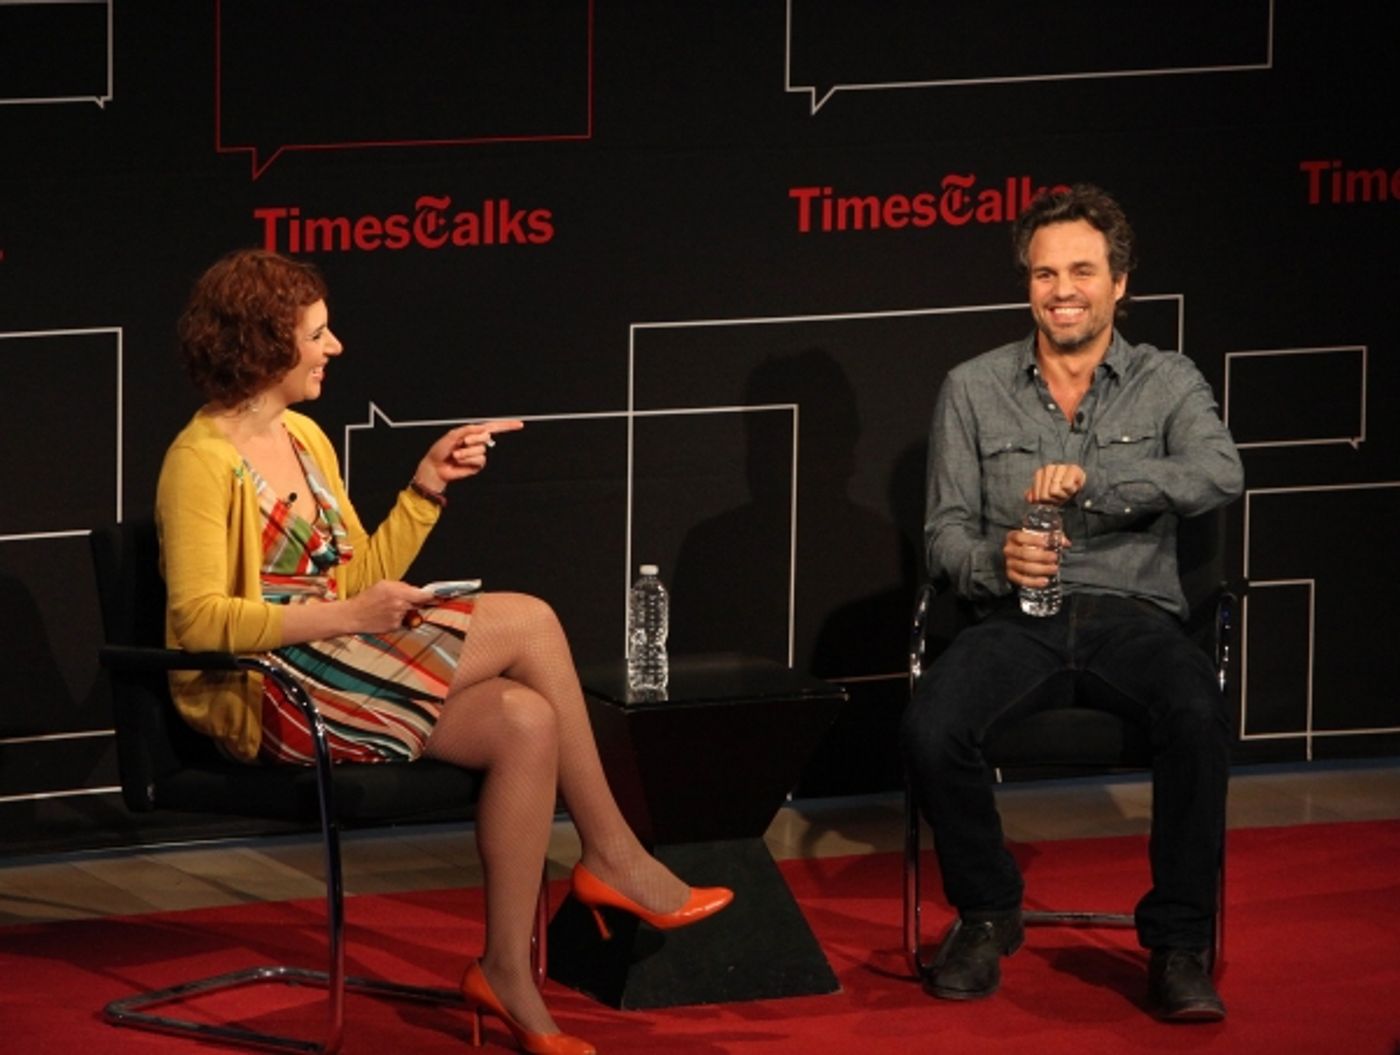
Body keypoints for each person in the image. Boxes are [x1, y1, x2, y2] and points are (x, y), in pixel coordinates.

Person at [157, 248, 733, 1055]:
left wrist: (425, 488)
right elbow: (194, 624)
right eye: (318, 333)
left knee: (526, 722)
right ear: (263, 343)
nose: (335, 347)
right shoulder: (198, 461)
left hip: (341, 661)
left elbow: (357, 574)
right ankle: (611, 852)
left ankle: (506, 973)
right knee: (529, 621)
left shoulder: (308, 440)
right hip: (270, 691)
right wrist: (345, 616)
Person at [899, 185, 1243, 1021]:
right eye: (1045, 273)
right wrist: (995, 559)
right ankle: (986, 913)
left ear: (1120, 282)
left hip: (1134, 617)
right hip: (1018, 620)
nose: (1063, 289)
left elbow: (1220, 472)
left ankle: (1179, 945)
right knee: (930, 723)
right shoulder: (972, 387)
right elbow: (943, 534)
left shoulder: (1168, 382)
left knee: (1197, 708)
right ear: (1028, 285)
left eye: (1082, 270)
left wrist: (1103, 484)